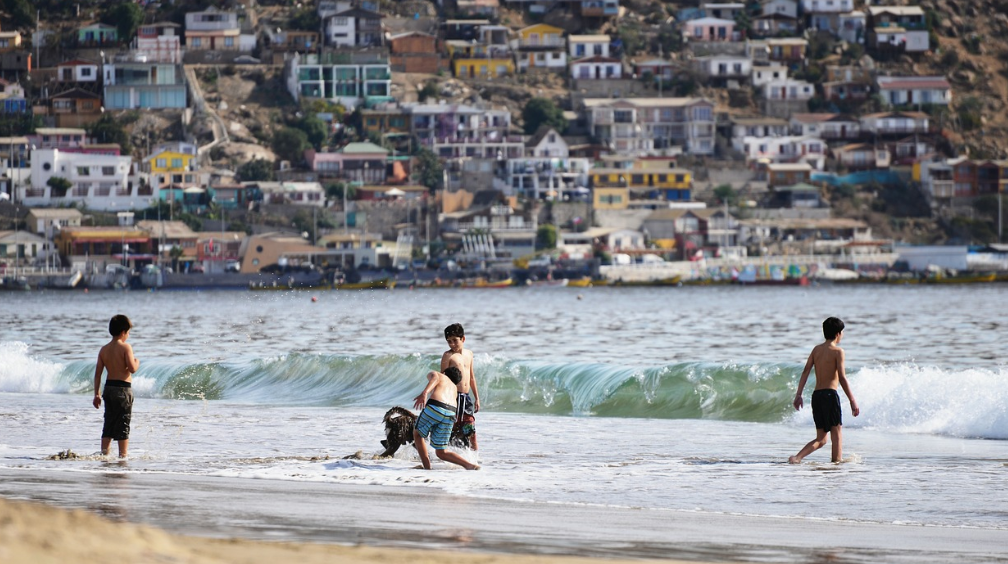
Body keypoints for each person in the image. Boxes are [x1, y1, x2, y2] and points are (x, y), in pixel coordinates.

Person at [789, 317, 860, 464]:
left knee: (821, 439)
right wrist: (852, 400)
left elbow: (805, 372)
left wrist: (799, 395)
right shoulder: (838, 351)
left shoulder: (816, 350)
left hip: (817, 396)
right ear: (838, 333)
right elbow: (842, 377)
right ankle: (836, 464)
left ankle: (797, 458)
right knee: (837, 434)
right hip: (830, 395)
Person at [412, 367, 479, 470]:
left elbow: (435, 377)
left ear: (444, 372)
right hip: (451, 413)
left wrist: (425, 392)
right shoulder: (454, 388)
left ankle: (427, 467)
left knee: (417, 434)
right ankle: (469, 465)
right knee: (441, 452)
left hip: (436, 406)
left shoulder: (440, 375)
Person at [93, 314, 139, 458]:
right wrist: (137, 361)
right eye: (128, 332)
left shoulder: (104, 349)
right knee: (123, 424)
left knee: (109, 424)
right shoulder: (126, 347)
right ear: (123, 332)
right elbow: (132, 368)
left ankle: (104, 454)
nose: (128, 335)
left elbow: (98, 374)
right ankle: (122, 456)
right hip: (123, 390)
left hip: (109, 389)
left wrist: (97, 394)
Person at [440, 323, 480, 451]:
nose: (452, 344)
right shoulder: (448, 356)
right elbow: (442, 378)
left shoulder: (469, 354)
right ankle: (448, 456)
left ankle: (475, 457)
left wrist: (477, 398)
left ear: (463, 339)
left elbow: (472, 377)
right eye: (449, 341)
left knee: (470, 428)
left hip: (466, 398)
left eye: (454, 341)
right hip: (453, 397)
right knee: (452, 428)